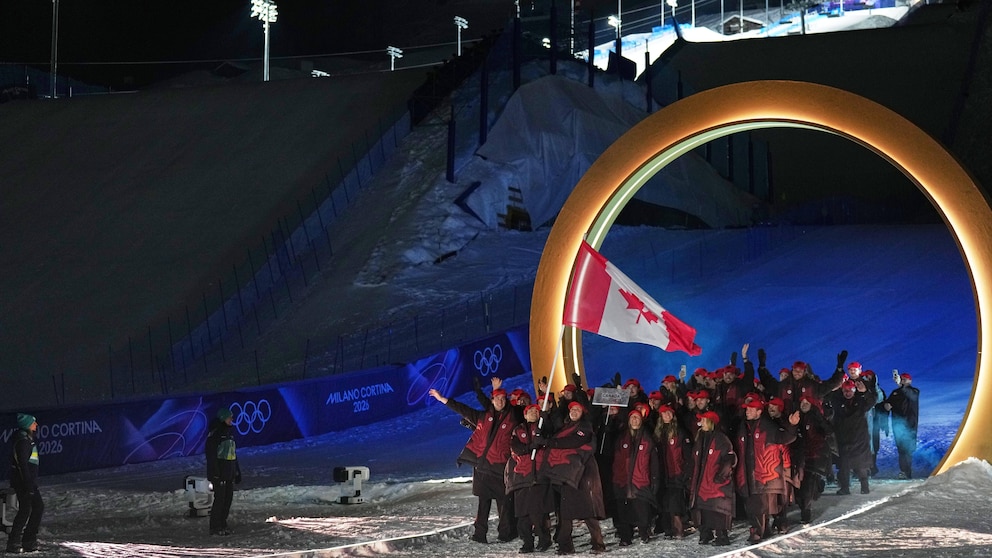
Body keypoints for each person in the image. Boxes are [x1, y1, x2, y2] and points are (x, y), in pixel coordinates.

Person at [429, 386, 518, 543]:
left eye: (503, 399)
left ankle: (505, 534)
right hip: (483, 469)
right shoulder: (482, 417)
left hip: (500, 469)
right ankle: (480, 535)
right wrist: (442, 399)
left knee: (504, 503)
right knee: (483, 503)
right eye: (497, 398)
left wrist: (496, 389)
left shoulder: (513, 419)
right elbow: (462, 409)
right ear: (492, 401)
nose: (500, 401)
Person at [535, 401, 607, 555]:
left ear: (583, 413)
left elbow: (573, 441)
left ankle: (597, 543)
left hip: (582, 474)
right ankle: (565, 545)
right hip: (565, 475)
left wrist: (548, 442)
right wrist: (545, 417)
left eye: (577, 410)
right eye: (572, 409)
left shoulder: (585, 427)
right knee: (564, 511)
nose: (574, 412)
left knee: (587, 510)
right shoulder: (565, 427)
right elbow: (553, 432)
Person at [733, 399, 799, 542]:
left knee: (759, 507)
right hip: (746, 475)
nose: (747, 411)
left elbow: (785, 438)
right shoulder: (742, 427)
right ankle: (765, 530)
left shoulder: (768, 426)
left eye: (751, 409)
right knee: (755, 506)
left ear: (759, 412)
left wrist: (792, 425)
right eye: (746, 409)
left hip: (763, 475)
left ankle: (757, 532)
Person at [508, 404, 552, 553]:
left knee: (538, 512)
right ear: (525, 415)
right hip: (522, 476)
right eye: (530, 411)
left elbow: (549, 437)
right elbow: (516, 448)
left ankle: (544, 539)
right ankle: (527, 542)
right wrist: (530, 447)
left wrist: (544, 420)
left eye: (536, 411)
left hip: (538, 475)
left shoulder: (543, 427)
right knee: (522, 514)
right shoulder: (518, 430)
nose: (533, 413)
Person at [688, 411, 737, 547]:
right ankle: (705, 533)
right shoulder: (700, 438)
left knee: (717, 510)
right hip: (702, 483)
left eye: (703, 420)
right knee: (703, 510)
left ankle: (721, 536)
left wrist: (721, 476)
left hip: (715, 483)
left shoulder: (721, 439)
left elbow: (729, 459)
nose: (701, 423)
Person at [611, 409, 659, 546]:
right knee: (624, 511)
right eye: (632, 418)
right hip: (623, 481)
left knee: (642, 510)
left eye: (637, 418)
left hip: (640, 481)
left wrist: (654, 480)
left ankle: (644, 532)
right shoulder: (621, 438)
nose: (634, 420)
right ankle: (625, 537)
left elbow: (654, 462)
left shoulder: (647, 439)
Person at [827, 379, 877, 495]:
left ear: (854, 390)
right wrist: (833, 388)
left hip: (859, 438)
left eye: (850, 390)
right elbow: (827, 397)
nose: (848, 393)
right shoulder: (838, 401)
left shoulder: (860, 401)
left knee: (861, 464)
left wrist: (865, 392)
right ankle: (845, 488)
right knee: (844, 464)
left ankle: (864, 486)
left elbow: (872, 401)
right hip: (844, 438)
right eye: (845, 391)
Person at [653, 404, 692, 539]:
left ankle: (678, 530)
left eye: (669, 413)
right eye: (664, 413)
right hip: (663, 474)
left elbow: (687, 454)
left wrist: (686, 472)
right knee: (665, 503)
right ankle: (668, 529)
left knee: (675, 505)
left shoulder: (680, 432)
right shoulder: (658, 434)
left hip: (677, 474)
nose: (667, 415)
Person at [7, 413, 43, 554]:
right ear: (27, 425)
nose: (36, 425)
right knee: (28, 509)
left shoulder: (26, 439)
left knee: (31, 508)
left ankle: (25, 540)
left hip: (27, 481)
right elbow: (23, 465)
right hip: (25, 482)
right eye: (34, 423)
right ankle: (18, 541)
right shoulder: (23, 441)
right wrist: (28, 484)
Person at [206, 406, 242, 536]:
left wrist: (237, 471)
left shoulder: (229, 434)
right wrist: (215, 474)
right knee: (220, 500)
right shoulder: (215, 435)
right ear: (223, 419)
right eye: (229, 417)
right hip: (219, 474)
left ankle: (222, 524)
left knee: (227, 500)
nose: (231, 419)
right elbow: (211, 456)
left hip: (229, 473)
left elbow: (233, 455)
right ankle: (215, 527)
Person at [884, 372, 920, 479]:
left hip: (909, 425)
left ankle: (906, 471)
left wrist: (901, 385)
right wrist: (886, 406)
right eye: (902, 379)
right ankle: (903, 470)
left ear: (910, 381)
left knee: (907, 449)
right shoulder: (895, 393)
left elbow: (910, 394)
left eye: (905, 379)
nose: (903, 381)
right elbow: (888, 404)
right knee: (901, 449)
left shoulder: (914, 391)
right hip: (897, 425)